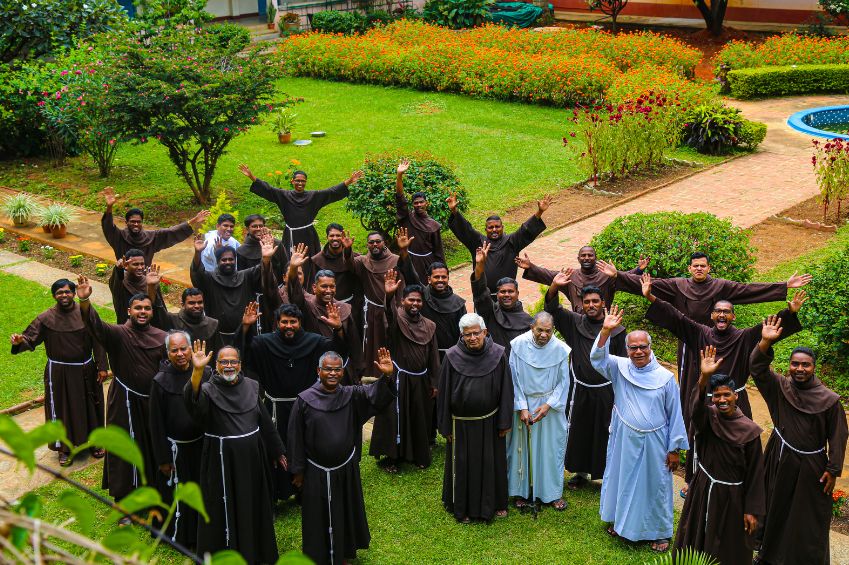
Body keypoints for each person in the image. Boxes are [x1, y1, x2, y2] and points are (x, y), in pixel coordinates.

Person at [750, 316, 848, 565]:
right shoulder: (780, 387)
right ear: (789, 366)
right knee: (775, 508)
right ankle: (768, 556)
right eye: (795, 364)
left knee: (807, 517)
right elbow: (757, 369)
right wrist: (764, 342)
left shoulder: (830, 399)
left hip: (811, 467)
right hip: (779, 458)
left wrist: (833, 468)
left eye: (805, 365)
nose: (800, 369)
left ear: (813, 367)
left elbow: (838, 436)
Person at [590, 305, 688, 552]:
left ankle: (659, 532)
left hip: (655, 440)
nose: (638, 351)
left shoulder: (665, 378)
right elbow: (597, 358)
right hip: (624, 437)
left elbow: (675, 413)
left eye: (643, 346)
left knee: (655, 485)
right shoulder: (619, 367)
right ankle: (621, 523)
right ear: (626, 349)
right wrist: (605, 331)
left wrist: (674, 448)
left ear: (650, 347)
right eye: (633, 347)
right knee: (623, 480)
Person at [643, 273, 806, 419]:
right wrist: (651, 296)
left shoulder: (744, 337)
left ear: (733, 316)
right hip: (708, 401)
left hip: (737, 402)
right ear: (712, 315)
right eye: (718, 311)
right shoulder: (700, 333)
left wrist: (790, 314)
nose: (722, 314)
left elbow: (768, 328)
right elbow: (676, 317)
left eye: (726, 312)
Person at [287, 348, 396, 565]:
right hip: (315, 470)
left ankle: (343, 552)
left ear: (342, 372)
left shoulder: (351, 394)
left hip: (344, 468)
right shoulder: (304, 400)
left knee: (343, 511)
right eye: (328, 369)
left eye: (337, 370)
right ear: (319, 371)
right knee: (317, 516)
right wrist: (298, 471)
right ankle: (318, 555)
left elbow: (376, 397)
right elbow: (295, 438)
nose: (333, 374)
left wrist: (388, 377)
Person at [184, 342, 285, 564]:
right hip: (222, 462)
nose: (229, 366)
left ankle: (256, 552)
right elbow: (194, 409)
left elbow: (263, 419)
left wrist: (277, 449)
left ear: (240, 364)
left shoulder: (251, 385)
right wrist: (197, 372)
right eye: (223, 362)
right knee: (221, 508)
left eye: (233, 361)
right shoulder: (208, 390)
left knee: (253, 504)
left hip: (251, 461)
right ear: (217, 365)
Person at [77, 275, 167, 507]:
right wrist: (85, 302)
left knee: (152, 445)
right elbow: (94, 325)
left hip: (152, 402)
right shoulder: (117, 333)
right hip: (124, 401)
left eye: (147, 308)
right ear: (129, 311)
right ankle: (123, 499)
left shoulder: (162, 337)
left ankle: (152, 492)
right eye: (138, 308)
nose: (143, 312)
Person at [243, 301, 345, 501]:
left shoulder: (313, 342)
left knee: (304, 446)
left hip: (305, 407)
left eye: (293, 322)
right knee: (275, 448)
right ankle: (277, 490)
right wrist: (246, 327)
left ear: (300, 323)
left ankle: (303, 490)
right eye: (284, 322)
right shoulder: (265, 343)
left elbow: (338, 352)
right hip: (275, 408)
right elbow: (245, 351)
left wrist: (338, 329)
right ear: (277, 323)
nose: (289, 326)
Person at [673, 346, 765, 565]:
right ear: (711, 398)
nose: (722, 400)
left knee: (728, 543)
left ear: (736, 395)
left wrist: (752, 510)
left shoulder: (750, 431)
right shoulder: (708, 418)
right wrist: (704, 378)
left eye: (726, 395)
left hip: (733, 497)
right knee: (696, 534)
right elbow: (695, 409)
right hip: (704, 487)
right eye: (717, 396)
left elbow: (756, 474)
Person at [10, 278, 108, 466]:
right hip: (59, 373)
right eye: (59, 292)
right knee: (61, 409)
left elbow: (98, 338)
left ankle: (95, 443)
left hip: (86, 369)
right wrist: (18, 342)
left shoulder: (86, 312)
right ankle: (64, 448)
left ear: (73, 293)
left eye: (67, 291)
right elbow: (29, 338)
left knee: (91, 405)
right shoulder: (46, 318)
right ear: (54, 295)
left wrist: (102, 365)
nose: (64, 295)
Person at [544, 273, 626, 490]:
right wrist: (553, 287)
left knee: (603, 431)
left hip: (606, 390)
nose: (590, 305)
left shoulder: (616, 330)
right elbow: (552, 310)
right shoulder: (574, 322)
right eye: (586, 301)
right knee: (578, 430)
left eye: (595, 301)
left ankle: (604, 472)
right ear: (581, 304)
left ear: (603, 304)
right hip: (579, 388)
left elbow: (623, 363)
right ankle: (579, 472)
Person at [438, 313, 513, 523]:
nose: (472, 338)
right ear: (461, 336)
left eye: (476, 333)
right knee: (463, 465)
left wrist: (504, 421)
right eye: (467, 334)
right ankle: (462, 507)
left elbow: (507, 389)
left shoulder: (498, 354)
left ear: (485, 332)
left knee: (492, 463)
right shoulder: (451, 356)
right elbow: (443, 394)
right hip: (460, 425)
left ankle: (496, 503)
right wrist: (445, 427)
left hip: (490, 422)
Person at [238, 163, 363, 277]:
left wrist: (349, 181)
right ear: (292, 181)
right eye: (297, 180)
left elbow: (330, 192)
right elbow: (269, 190)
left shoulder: (313, 197)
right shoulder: (284, 196)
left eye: (303, 181)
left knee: (309, 262)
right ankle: (289, 282)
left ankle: (310, 285)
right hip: (290, 235)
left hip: (308, 235)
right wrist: (251, 177)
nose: (300, 183)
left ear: (306, 182)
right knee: (288, 260)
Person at [369, 271, 440, 472]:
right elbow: (389, 315)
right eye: (411, 300)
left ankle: (418, 454)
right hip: (398, 378)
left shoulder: (430, 326)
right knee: (395, 418)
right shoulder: (397, 319)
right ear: (403, 301)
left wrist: (435, 382)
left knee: (419, 416)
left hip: (420, 380)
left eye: (418, 301)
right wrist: (389, 295)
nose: (415, 304)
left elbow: (434, 356)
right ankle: (392, 457)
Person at [149, 330, 211, 547]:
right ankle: (179, 534)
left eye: (183, 348)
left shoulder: (206, 373)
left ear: (191, 348)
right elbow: (155, 423)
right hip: (176, 452)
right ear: (167, 353)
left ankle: (202, 531)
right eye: (174, 350)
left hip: (202, 445)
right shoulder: (160, 381)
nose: (180, 354)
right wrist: (163, 458)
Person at [507, 312, 570, 511]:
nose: (544, 335)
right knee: (522, 449)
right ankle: (521, 492)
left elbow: (563, 381)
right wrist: (522, 406)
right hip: (524, 404)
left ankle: (551, 493)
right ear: (532, 327)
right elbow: (513, 378)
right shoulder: (517, 345)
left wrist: (549, 404)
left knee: (550, 450)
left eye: (548, 331)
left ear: (553, 331)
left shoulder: (560, 350)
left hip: (550, 407)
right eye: (539, 330)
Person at [284, 244, 363, 383]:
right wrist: (293, 269)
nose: (328, 290)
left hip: (339, 368)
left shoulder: (344, 308)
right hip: (312, 367)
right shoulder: (307, 304)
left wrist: (359, 369)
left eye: (332, 286)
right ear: (314, 288)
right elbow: (295, 295)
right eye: (324, 286)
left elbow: (354, 342)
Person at [447, 192, 550, 297]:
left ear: (502, 227)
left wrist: (540, 212)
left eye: (497, 227)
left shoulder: (512, 242)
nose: (494, 230)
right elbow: (465, 229)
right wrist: (454, 210)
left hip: (508, 296)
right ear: (485, 230)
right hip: (483, 297)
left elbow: (525, 230)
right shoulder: (478, 243)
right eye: (490, 227)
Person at [190, 233, 271, 345]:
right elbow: (197, 273)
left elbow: (261, 270)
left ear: (235, 260)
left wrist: (266, 258)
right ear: (218, 262)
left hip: (245, 332)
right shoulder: (210, 278)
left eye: (231, 259)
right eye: (224, 260)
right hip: (217, 335)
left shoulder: (245, 276)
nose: (227, 262)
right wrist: (198, 253)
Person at [100, 185, 208, 265]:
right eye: (132, 221)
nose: (136, 224)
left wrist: (194, 220)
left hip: (144, 279)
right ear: (126, 222)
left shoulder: (150, 238)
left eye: (139, 222)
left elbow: (171, 232)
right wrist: (109, 207)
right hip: (123, 278)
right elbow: (108, 227)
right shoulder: (119, 237)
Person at [517, 246, 647, 313]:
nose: (586, 258)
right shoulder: (571, 277)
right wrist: (531, 266)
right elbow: (549, 276)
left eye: (590, 255)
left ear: (595, 258)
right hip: (578, 324)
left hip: (603, 323)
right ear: (578, 259)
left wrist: (638, 270)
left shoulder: (606, 276)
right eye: (583, 255)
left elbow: (624, 279)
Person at [346, 230, 403, 380]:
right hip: (371, 311)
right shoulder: (363, 261)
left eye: (378, 241)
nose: (375, 244)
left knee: (391, 341)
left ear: (384, 243)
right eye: (371, 242)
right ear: (367, 245)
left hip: (391, 309)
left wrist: (397, 308)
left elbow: (401, 286)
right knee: (371, 344)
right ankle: (372, 375)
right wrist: (347, 249)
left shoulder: (396, 260)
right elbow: (350, 265)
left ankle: (392, 374)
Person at [471, 241, 531, 356]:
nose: (506, 294)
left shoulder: (528, 321)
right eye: (503, 291)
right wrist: (480, 266)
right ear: (497, 294)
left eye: (510, 291)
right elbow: (480, 293)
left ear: (517, 293)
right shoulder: (490, 312)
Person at [147, 274, 224, 358]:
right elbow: (155, 312)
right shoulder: (171, 320)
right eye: (191, 303)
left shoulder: (212, 324)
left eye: (200, 302)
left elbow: (219, 353)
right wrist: (151, 288)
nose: (197, 306)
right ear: (183, 304)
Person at [394, 159, 445, 283]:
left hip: (427, 263)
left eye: (421, 202)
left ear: (426, 203)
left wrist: (443, 270)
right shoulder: (408, 217)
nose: (418, 205)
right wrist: (399, 175)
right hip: (408, 259)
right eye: (415, 203)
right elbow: (400, 198)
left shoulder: (434, 225)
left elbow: (438, 252)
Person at [309, 223, 362, 323]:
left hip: (350, 305)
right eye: (332, 235)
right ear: (327, 237)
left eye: (338, 235)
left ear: (342, 237)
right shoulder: (317, 260)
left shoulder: (355, 258)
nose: (335, 238)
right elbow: (313, 286)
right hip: (324, 307)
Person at [108, 249, 162, 325]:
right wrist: (118, 269)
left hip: (148, 327)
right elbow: (115, 285)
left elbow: (156, 307)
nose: (140, 267)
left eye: (142, 264)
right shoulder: (121, 282)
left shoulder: (149, 281)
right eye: (135, 264)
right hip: (126, 328)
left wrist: (151, 287)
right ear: (126, 265)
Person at [236, 214, 289, 279]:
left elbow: (286, 266)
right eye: (254, 226)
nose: (258, 229)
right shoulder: (241, 251)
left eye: (261, 226)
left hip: (277, 286)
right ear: (247, 229)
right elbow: (242, 276)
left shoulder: (277, 244)